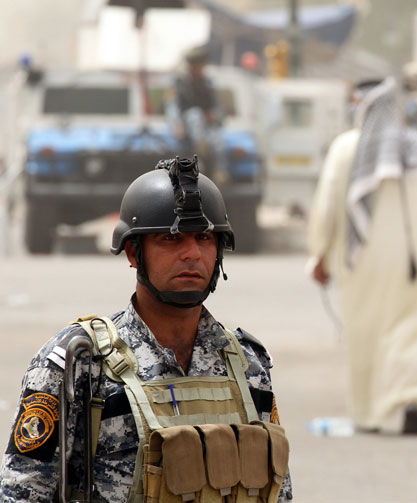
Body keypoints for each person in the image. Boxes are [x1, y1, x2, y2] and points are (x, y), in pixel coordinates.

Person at [0, 156, 292, 501]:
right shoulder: (80, 362)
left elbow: (279, 490)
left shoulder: (247, 364)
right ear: (133, 253)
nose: (192, 254)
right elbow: (24, 491)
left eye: (204, 239)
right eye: (171, 240)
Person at [307, 77, 417, 435]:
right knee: (416, 328)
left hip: (366, 261)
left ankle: (369, 413)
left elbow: (328, 208)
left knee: (368, 331)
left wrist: (319, 255)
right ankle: (411, 400)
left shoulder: (347, 147)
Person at [166, 47, 227, 183]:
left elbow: (217, 107)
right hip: (188, 124)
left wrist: (214, 116)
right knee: (195, 115)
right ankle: (199, 154)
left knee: (217, 139)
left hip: (206, 125)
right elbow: (172, 107)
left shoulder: (208, 84)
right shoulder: (180, 83)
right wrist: (177, 124)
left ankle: (219, 171)